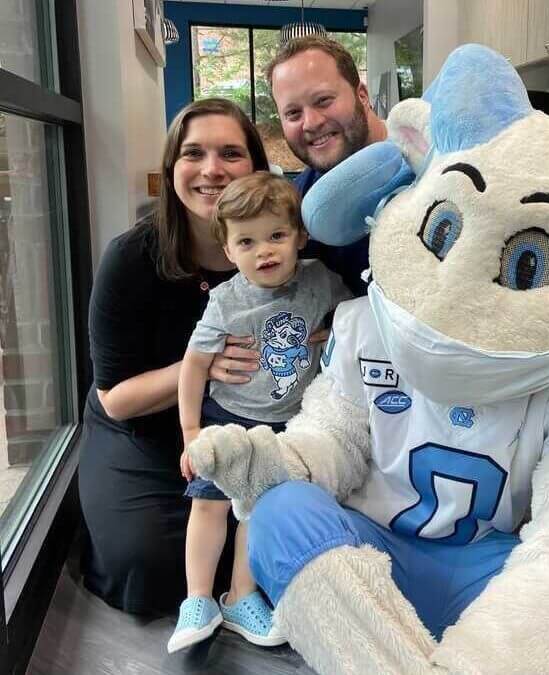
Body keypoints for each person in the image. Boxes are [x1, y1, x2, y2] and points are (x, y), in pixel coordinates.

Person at [78, 98, 276, 616]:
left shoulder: (280, 250)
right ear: (172, 170)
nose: (212, 169)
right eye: (194, 154)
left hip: (240, 425)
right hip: (142, 427)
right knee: (148, 565)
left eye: (231, 153)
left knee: (271, 539)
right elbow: (117, 399)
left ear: (256, 168)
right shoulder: (130, 259)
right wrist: (201, 363)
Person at [167, 172, 350, 652]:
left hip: (287, 424)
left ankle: (240, 596)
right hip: (226, 418)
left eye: (276, 236)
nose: (264, 251)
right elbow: (194, 366)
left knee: (256, 509)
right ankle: (197, 599)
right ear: (228, 251)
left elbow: (357, 318)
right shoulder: (225, 301)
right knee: (208, 502)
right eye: (246, 242)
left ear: (300, 237)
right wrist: (190, 430)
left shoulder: (320, 281)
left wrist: (336, 333)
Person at [267, 37, 388, 296]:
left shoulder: (434, 161)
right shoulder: (297, 206)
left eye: (323, 100)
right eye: (293, 114)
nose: (310, 123)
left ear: (362, 95)